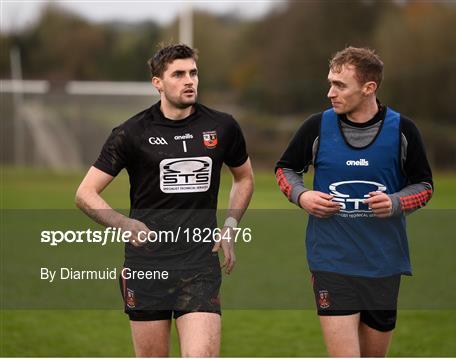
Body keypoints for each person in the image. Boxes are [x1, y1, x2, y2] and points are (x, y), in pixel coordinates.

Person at [75, 43, 253, 357]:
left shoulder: (222, 126)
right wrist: (125, 223)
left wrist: (229, 225)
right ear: (158, 82)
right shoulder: (131, 133)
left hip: (199, 265)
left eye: (193, 73)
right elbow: (85, 194)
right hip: (146, 268)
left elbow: (244, 178)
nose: (190, 81)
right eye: (179, 74)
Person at [275, 47, 433, 357]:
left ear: (369, 88)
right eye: (330, 82)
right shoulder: (316, 126)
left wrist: (396, 202)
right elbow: (285, 169)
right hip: (331, 261)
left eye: (340, 85)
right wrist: (302, 195)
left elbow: (424, 186)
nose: (330, 92)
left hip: (383, 262)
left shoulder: (403, 130)